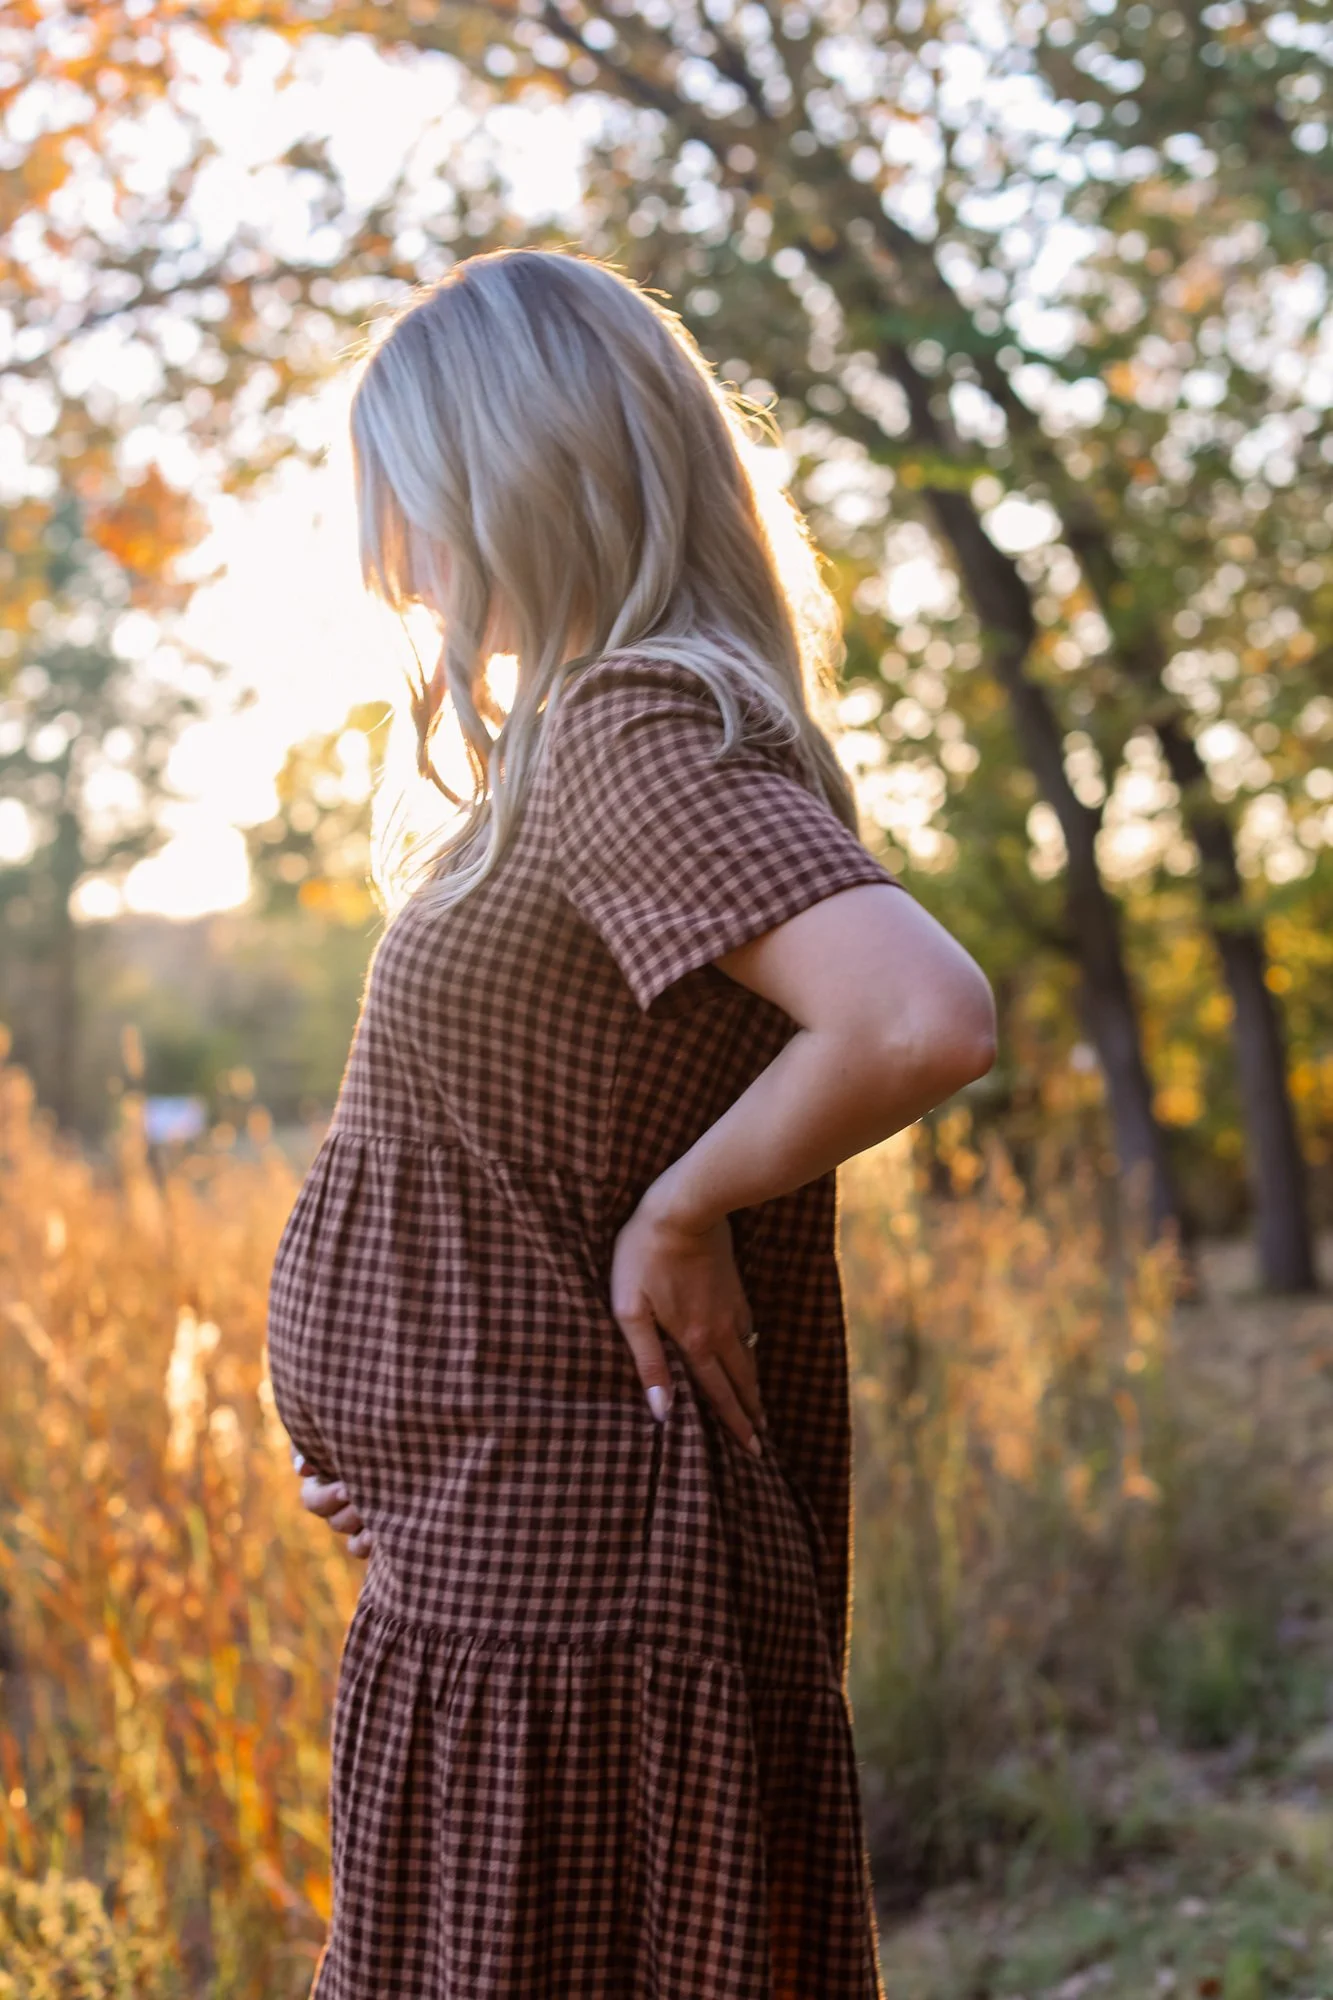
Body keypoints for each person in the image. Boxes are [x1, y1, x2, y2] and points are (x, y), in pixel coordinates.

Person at [267, 245, 995, 2000]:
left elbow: (920, 1014)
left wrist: (684, 1209)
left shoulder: (620, 727)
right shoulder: (596, 736)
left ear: (528, 467)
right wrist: (401, 1433)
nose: (385, 563)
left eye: (409, 503)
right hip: (511, 1561)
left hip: (577, 1590)